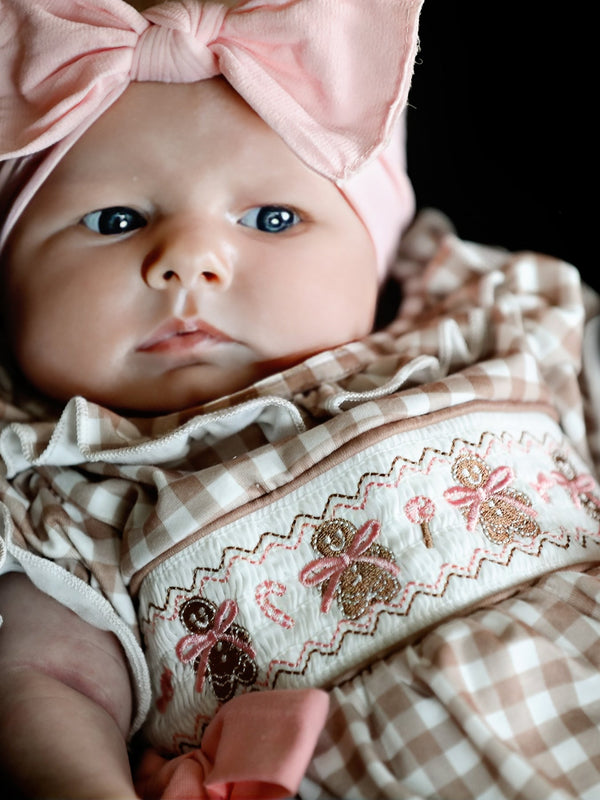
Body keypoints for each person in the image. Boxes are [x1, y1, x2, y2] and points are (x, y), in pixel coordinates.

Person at [1, 2, 600, 799]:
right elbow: (48, 685)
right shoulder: (62, 488)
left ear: (375, 253)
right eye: (116, 220)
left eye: (272, 218)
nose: (189, 261)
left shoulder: (478, 321)